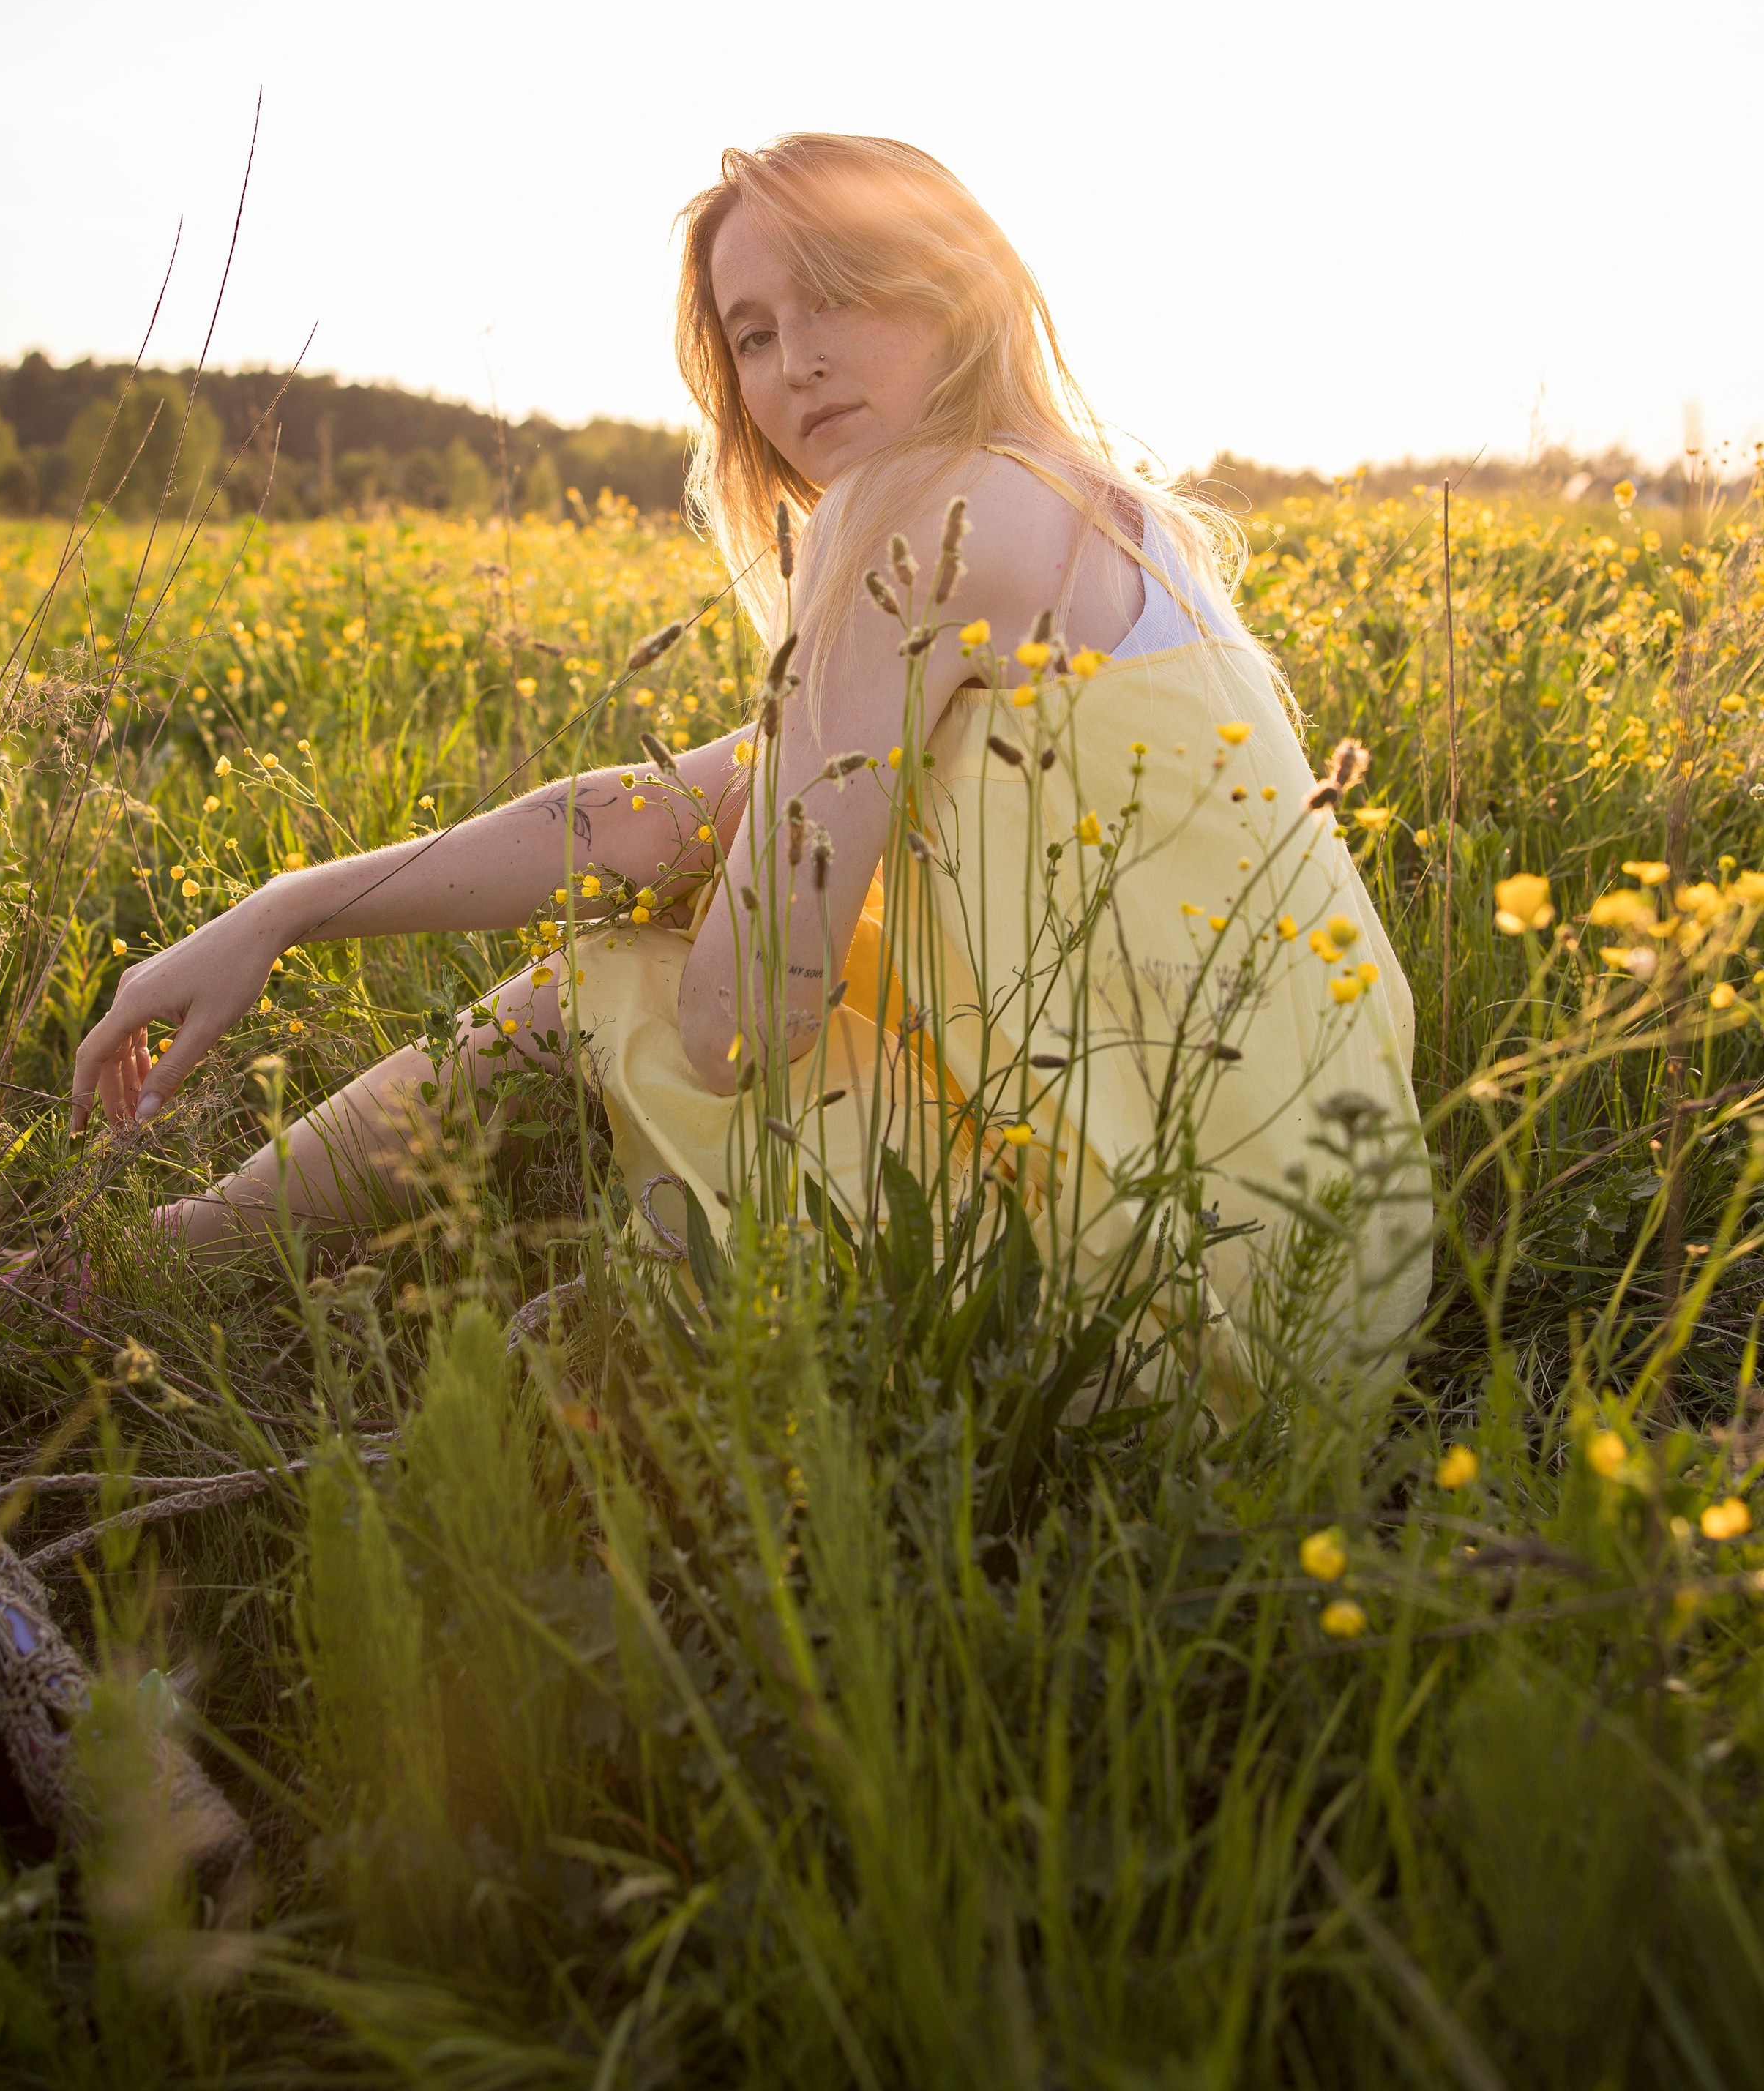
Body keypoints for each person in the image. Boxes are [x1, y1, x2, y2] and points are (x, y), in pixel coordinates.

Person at [72, 135, 1429, 1385]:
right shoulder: (1097, 506)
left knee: (610, 977)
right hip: (1333, 1272)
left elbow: (735, 1026)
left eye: (844, 296)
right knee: (665, 932)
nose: (797, 365)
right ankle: (164, 1263)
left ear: (962, 294)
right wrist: (286, 908)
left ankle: (140, 1279)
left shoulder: (932, 509)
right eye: (757, 334)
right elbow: (657, 809)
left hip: (1153, 1316)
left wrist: (697, 900)